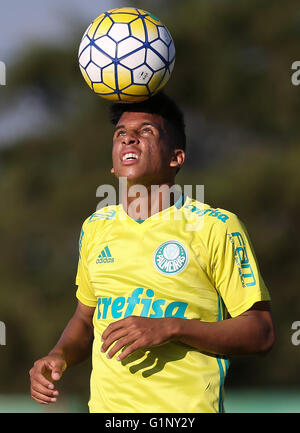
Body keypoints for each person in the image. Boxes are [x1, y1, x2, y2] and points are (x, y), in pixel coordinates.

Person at [29, 92, 275, 413]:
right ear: (114, 166)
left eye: (146, 131)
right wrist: (58, 355)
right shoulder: (96, 227)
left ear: (176, 157)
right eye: (121, 134)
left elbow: (261, 332)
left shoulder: (216, 226)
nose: (129, 138)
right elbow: (85, 319)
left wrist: (172, 327)